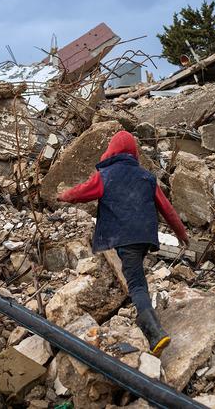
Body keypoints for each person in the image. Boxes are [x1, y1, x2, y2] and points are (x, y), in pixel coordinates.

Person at [57, 131, 188, 356]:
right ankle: (143, 318)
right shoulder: (146, 176)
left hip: (123, 238)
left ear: (112, 150)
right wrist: (182, 234)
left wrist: (63, 196)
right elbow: (166, 209)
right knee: (135, 275)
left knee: (136, 284)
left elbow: (82, 193)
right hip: (144, 238)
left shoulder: (106, 175)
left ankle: (155, 332)